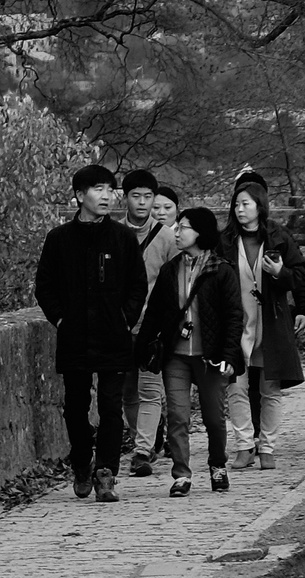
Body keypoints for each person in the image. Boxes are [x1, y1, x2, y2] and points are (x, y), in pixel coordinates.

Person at [34, 164, 149, 503]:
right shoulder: (59, 239)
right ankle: (82, 462)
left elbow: (137, 285)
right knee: (75, 406)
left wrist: (125, 318)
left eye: (110, 189)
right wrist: (60, 319)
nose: (107, 196)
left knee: (111, 406)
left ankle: (106, 473)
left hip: (114, 335)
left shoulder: (123, 237)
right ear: (80, 195)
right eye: (98, 189)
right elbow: (45, 286)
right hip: (75, 337)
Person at [134, 207, 244, 497]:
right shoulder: (171, 269)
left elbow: (234, 316)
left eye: (183, 227)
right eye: (177, 227)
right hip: (176, 356)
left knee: (213, 418)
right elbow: (155, 313)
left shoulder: (221, 270)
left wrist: (231, 356)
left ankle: (217, 466)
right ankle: (181, 474)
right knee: (178, 416)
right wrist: (140, 350)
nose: (177, 232)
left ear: (201, 233)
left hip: (211, 356)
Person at [217, 181, 305, 471]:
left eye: (246, 203)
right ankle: (244, 445)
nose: (240, 209)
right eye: (236, 204)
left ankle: (267, 446)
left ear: (260, 206)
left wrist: (280, 274)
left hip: (271, 321)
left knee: (270, 388)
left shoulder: (278, 237)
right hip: (236, 322)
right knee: (236, 385)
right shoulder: (226, 241)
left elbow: (299, 277)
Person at [119, 169, 179, 478]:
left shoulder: (167, 237)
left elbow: (177, 280)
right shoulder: (115, 233)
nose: (142, 203)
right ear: (125, 198)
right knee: (127, 391)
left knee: (150, 388)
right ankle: (145, 436)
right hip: (120, 324)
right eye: (136, 196)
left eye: (148, 197)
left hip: (153, 324)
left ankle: (142, 451)